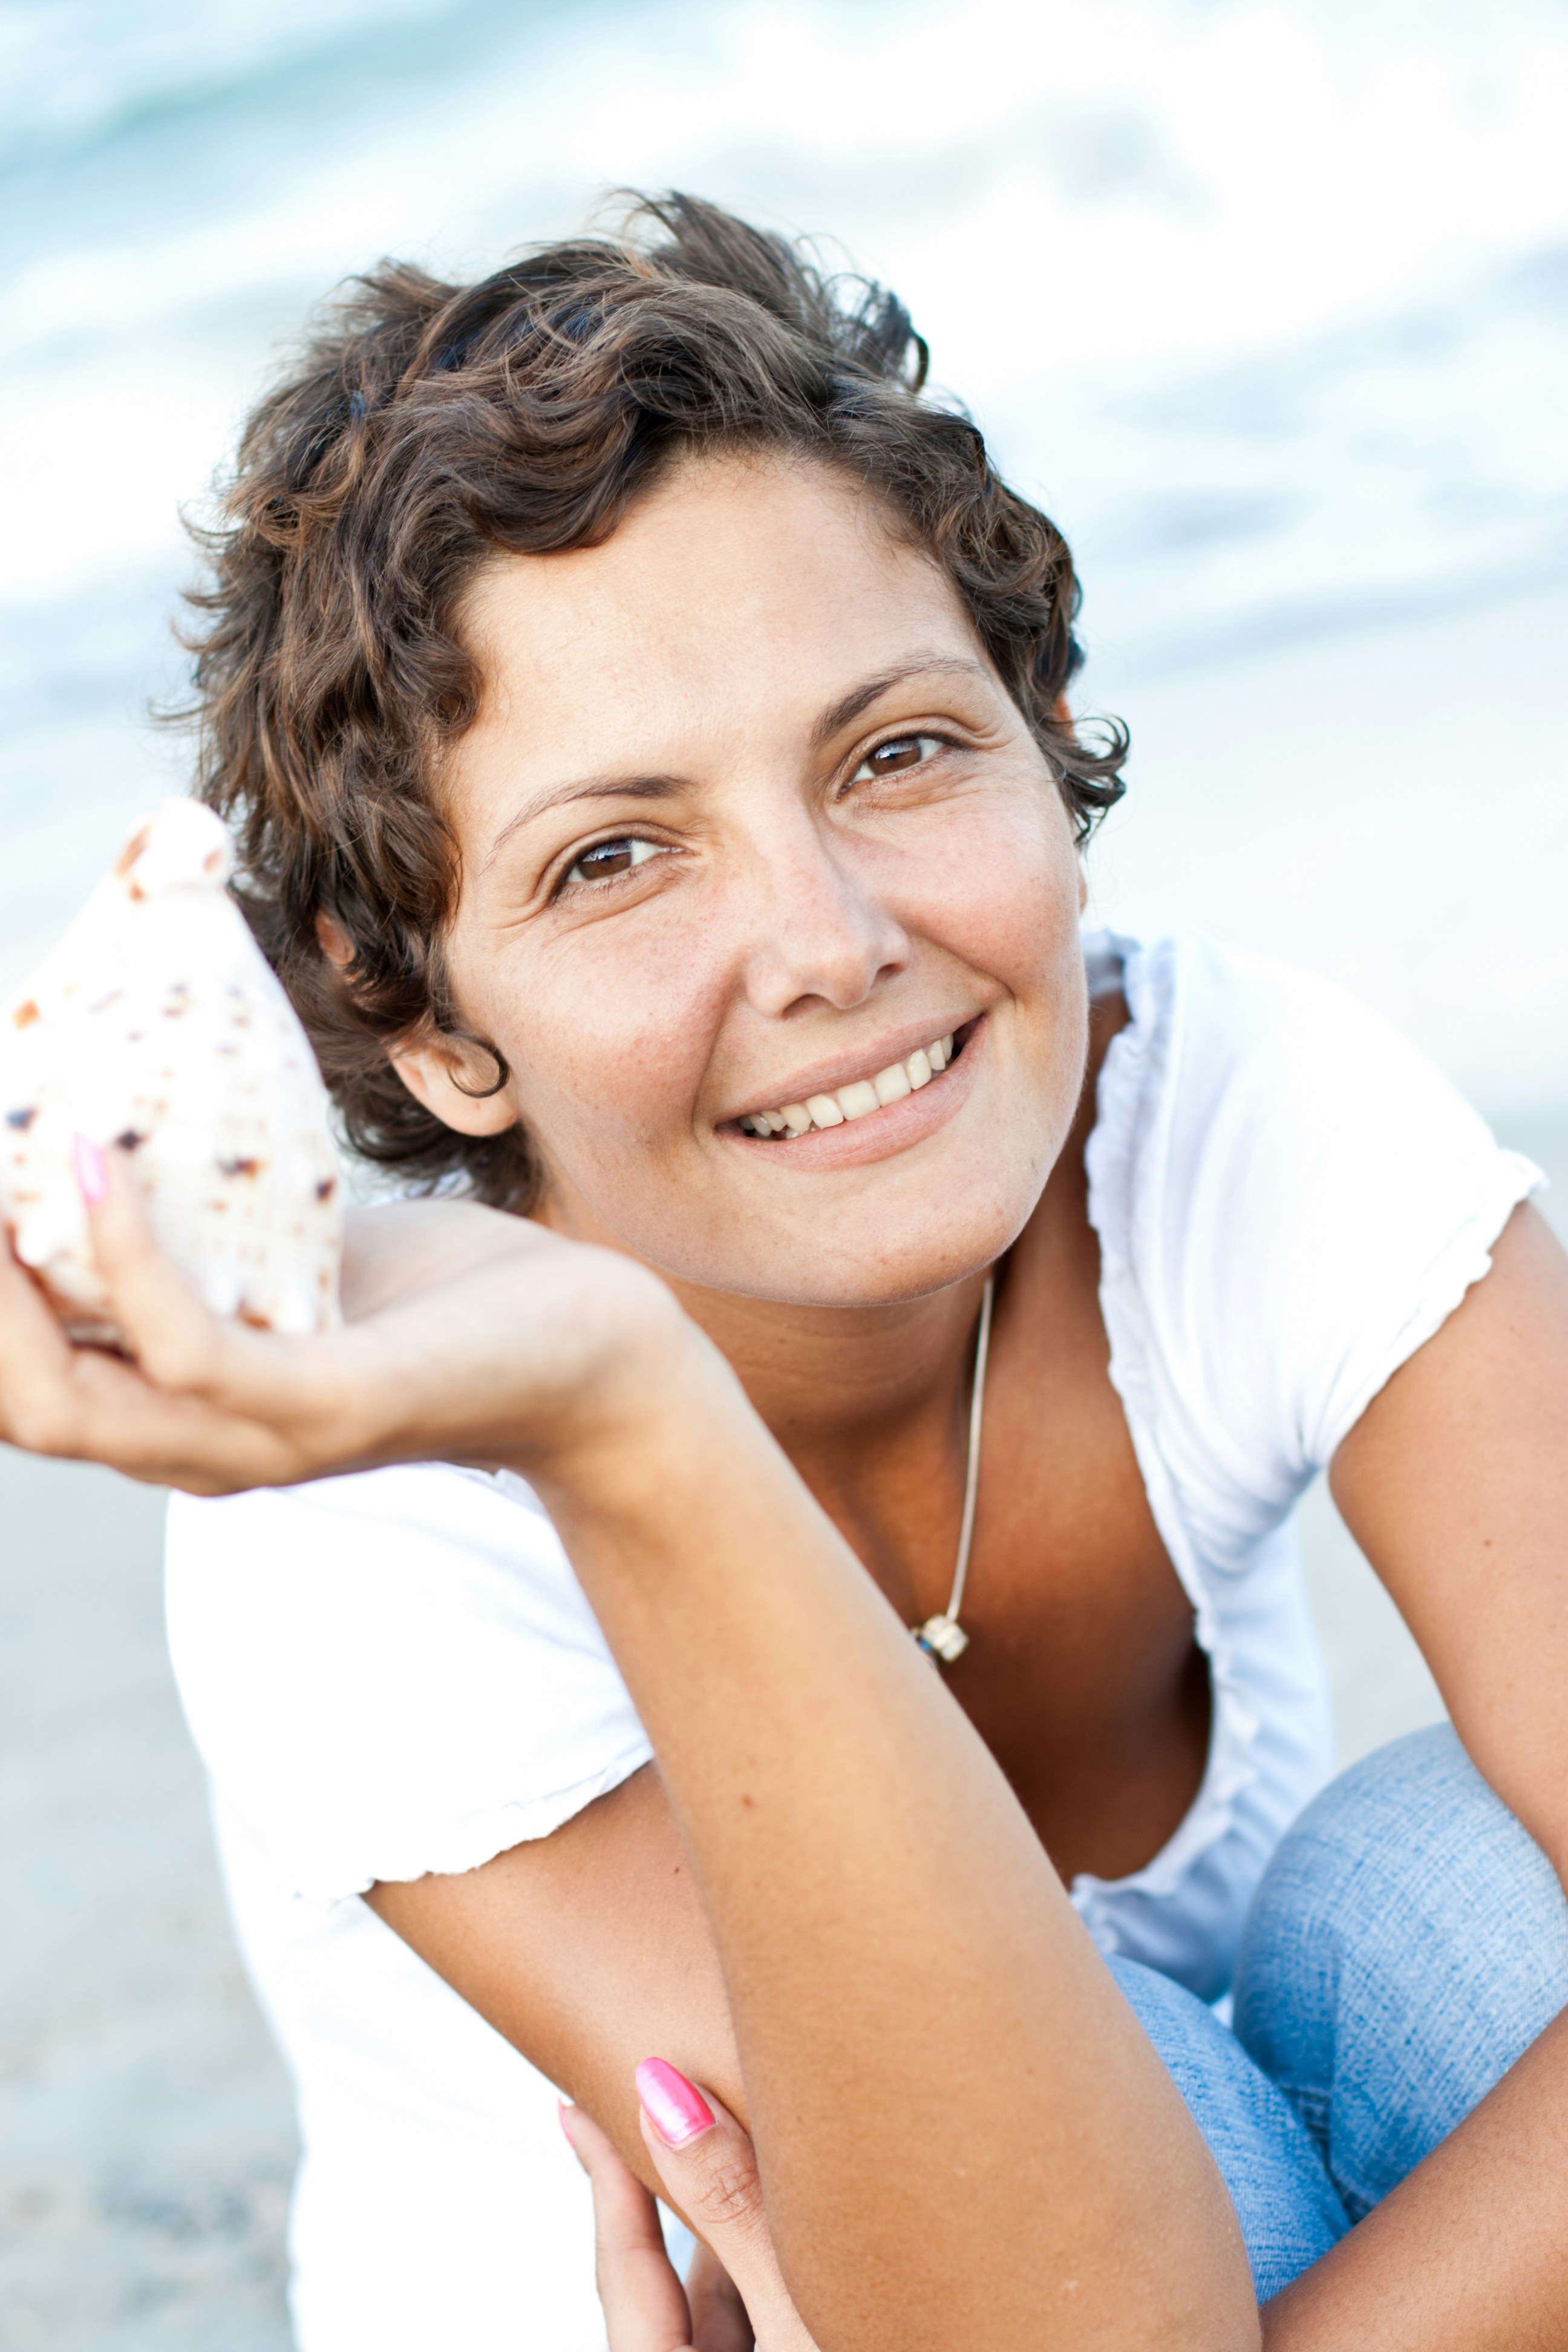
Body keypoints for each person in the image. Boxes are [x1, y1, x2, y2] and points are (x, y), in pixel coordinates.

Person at [2, 192, 1565, 2350]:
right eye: (616, 857)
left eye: (899, 750)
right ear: (434, 1023)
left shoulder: (1229, 1110)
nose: (832, 943)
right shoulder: (352, 1508)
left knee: (1458, 1900)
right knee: (1152, 2120)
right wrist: (624, 1412)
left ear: (1045, 739)